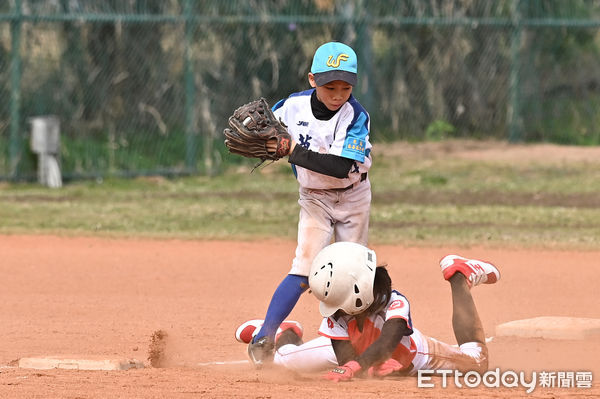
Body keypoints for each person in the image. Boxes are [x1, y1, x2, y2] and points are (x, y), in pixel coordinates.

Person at [242, 41, 373, 367]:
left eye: (346, 86)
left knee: (352, 277)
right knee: (304, 270)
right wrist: (258, 137)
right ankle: (265, 336)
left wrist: (291, 152)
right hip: (314, 199)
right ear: (312, 79)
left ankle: (350, 344)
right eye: (330, 86)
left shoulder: (355, 116)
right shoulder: (293, 106)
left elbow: (342, 167)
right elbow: (259, 128)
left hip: (353, 198)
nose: (338, 93)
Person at [235, 242, 501, 380]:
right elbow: (344, 357)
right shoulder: (338, 315)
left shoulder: (396, 303)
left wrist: (360, 366)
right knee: (275, 364)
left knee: (477, 363)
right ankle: (285, 332)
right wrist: (362, 368)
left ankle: (459, 274)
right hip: (360, 352)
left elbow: (389, 341)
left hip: (413, 355)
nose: (335, 309)